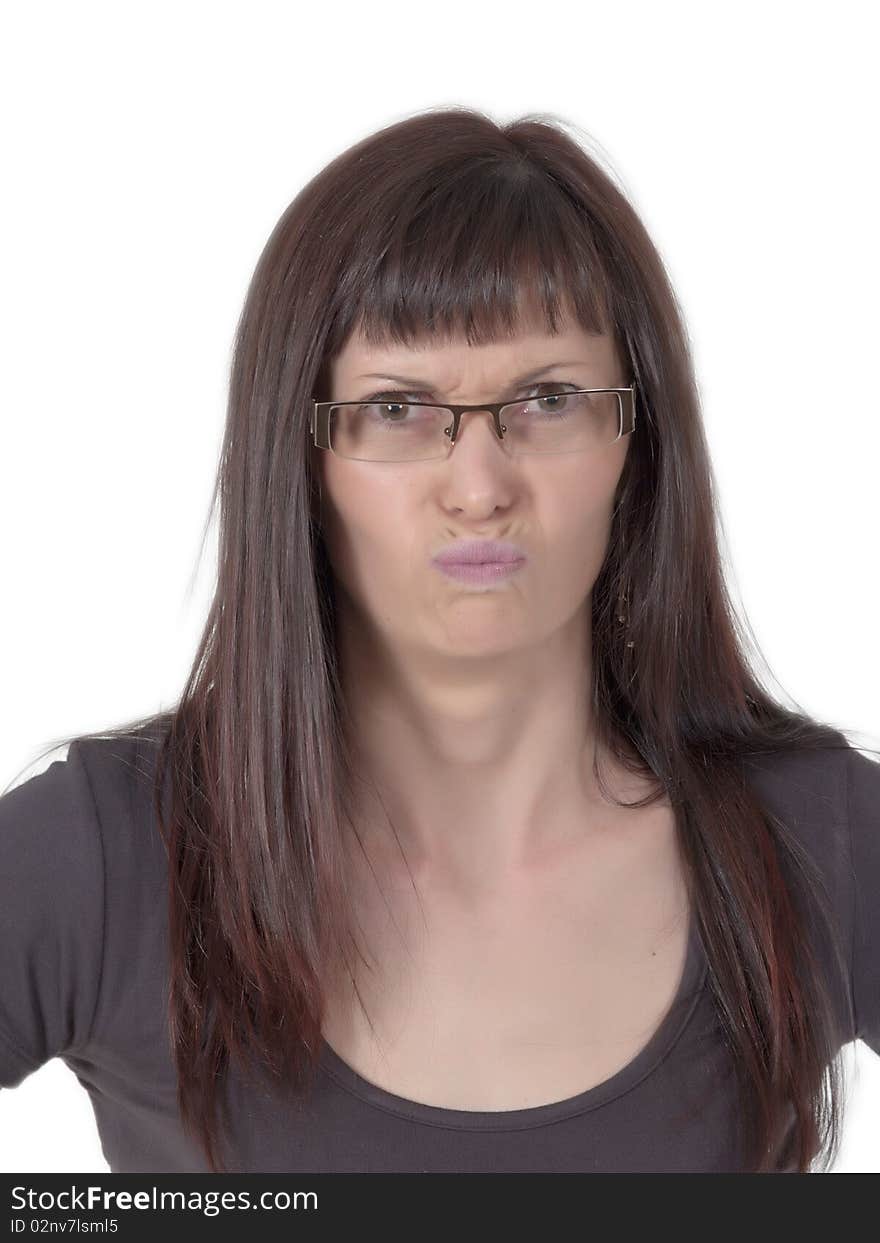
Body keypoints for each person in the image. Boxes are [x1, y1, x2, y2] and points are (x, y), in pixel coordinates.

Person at [1, 106, 878, 1175]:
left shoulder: (817, 838)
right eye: (398, 408)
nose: (478, 487)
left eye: (547, 399)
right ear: (302, 458)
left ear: (635, 447)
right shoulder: (106, 856)